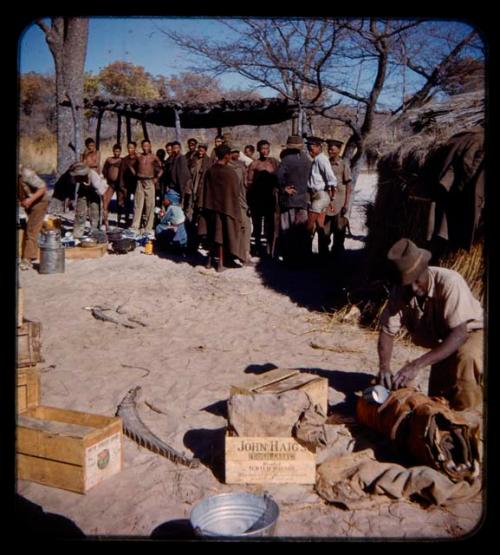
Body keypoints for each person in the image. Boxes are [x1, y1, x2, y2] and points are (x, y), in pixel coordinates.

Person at [377, 238, 484, 411]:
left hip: (474, 331)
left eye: (416, 280)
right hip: (447, 339)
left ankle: (465, 421)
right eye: (407, 283)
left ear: (425, 269)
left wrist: (416, 364)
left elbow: (460, 334)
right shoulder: (400, 291)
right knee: (436, 400)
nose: (413, 288)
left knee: (467, 359)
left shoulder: (450, 282)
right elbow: (387, 332)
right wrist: (384, 367)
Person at [197, 144, 245, 272]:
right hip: (225, 209)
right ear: (226, 156)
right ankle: (220, 264)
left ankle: (209, 262)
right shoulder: (230, 173)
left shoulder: (210, 171)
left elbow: (204, 189)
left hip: (210, 208)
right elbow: (235, 192)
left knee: (212, 235)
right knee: (222, 236)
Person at [276, 136, 312, 267]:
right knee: (301, 230)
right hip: (303, 200)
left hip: (289, 200)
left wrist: (284, 188)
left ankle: (289, 259)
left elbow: (278, 176)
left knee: (287, 229)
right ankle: (302, 258)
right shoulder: (307, 160)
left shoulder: (286, 160)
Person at [246, 139, 280, 256]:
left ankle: (270, 249)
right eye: (262, 149)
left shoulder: (274, 163)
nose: (265, 151)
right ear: (259, 150)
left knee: (270, 224)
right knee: (257, 225)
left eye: (267, 148)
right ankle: (257, 247)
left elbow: (279, 178)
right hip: (257, 198)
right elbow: (249, 183)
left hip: (270, 198)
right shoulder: (254, 164)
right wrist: (250, 201)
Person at [305, 136, 337, 259]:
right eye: (308, 148)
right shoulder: (317, 159)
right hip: (318, 195)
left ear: (319, 147)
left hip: (320, 196)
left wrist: (331, 197)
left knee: (309, 227)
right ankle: (323, 254)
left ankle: (306, 254)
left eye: (312, 148)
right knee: (320, 226)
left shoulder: (321, 160)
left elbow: (331, 178)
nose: (310, 151)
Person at [321, 139, 353, 257]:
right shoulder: (325, 164)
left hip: (339, 204)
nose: (330, 151)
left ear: (339, 150)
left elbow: (349, 186)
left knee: (339, 230)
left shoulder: (344, 164)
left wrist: (346, 204)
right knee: (324, 231)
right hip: (326, 203)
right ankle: (324, 256)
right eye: (329, 148)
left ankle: (337, 256)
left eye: (333, 149)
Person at [17, 166, 49, 270]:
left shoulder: (26, 173)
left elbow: (43, 188)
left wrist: (30, 200)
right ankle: (50, 233)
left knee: (31, 230)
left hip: (39, 202)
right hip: (28, 203)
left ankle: (27, 259)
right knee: (35, 226)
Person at [130, 140, 163, 237]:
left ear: (150, 146)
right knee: (138, 204)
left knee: (150, 205)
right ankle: (135, 226)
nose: (145, 148)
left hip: (149, 181)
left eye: (147, 146)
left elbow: (161, 169)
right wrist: (135, 174)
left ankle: (148, 227)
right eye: (144, 146)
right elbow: (130, 165)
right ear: (142, 146)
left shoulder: (153, 157)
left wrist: (156, 178)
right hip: (139, 181)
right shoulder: (139, 157)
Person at [70, 162, 108, 238]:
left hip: (94, 192)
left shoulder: (94, 179)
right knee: (80, 213)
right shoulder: (77, 177)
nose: (76, 178)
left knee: (95, 212)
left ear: (83, 175)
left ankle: (94, 232)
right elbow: (72, 187)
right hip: (83, 191)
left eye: (77, 177)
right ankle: (78, 234)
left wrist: (105, 209)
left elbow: (104, 195)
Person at [229, 145, 252, 265]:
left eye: (238, 152)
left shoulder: (242, 165)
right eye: (234, 152)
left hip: (242, 201)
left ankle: (245, 253)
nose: (236, 155)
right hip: (233, 202)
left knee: (246, 227)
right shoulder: (228, 167)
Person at [188, 142, 211, 251]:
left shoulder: (209, 161)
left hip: (202, 191)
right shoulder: (193, 159)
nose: (201, 151)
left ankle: (202, 238)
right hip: (192, 189)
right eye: (200, 149)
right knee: (190, 213)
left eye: (203, 149)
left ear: (206, 150)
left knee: (201, 215)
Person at [101, 144, 123, 230]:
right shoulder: (109, 160)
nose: (117, 153)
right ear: (113, 151)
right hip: (111, 184)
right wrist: (107, 178)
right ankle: (106, 223)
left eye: (118, 151)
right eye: (115, 151)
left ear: (120, 152)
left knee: (120, 203)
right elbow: (104, 170)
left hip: (119, 184)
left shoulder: (122, 160)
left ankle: (119, 221)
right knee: (105, 201)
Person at [117, 141, 139, 228]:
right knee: (127, 203)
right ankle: (126, 220)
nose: (130, 150)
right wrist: (121, 185)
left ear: (135, 148)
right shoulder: (125, 160)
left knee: (137, 203)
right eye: (129, 148)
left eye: (132, 148)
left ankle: (137, 220)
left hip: (136, 184)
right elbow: (121, 173)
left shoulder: (138, 159)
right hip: (127, 184)